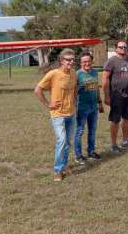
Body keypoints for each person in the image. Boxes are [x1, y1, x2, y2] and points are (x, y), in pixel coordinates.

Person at [34, 48, 77, 182]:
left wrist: (74, 103)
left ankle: (64, 165)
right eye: (68, 60)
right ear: (61, 61)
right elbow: (37, 90)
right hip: (58, 114)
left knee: (67, 142)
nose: (71, 62)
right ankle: (58, 171)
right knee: (62, 140)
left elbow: (75, 89)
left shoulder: (74, 74)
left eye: (73, 60)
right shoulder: (53, 74)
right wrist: (48, 104)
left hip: (71, 113)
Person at [102, 40, 128, 153]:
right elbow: (105, 79)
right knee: (115, 120)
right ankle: (113, 145)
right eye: (121, 47)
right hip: (116, 95)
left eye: (125, 47)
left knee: (127, 119)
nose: (123, 49)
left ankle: (125, 141)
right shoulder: (111, 61)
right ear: (116, 48)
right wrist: (107, 96)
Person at [74, 52, 103, 165]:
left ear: (92, 61)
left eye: (88, 61)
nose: (87, 63)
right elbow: (73, 93)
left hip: (93, 107)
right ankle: (78, 155)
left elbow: (96, 88)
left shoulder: (94, 72)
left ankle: (91, 152)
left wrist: (100, 102)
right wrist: (74, 107)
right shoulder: (77, 75)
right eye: (84, 61)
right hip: (82, 108)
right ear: (81, 63)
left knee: (92, 131)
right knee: (79, 132)